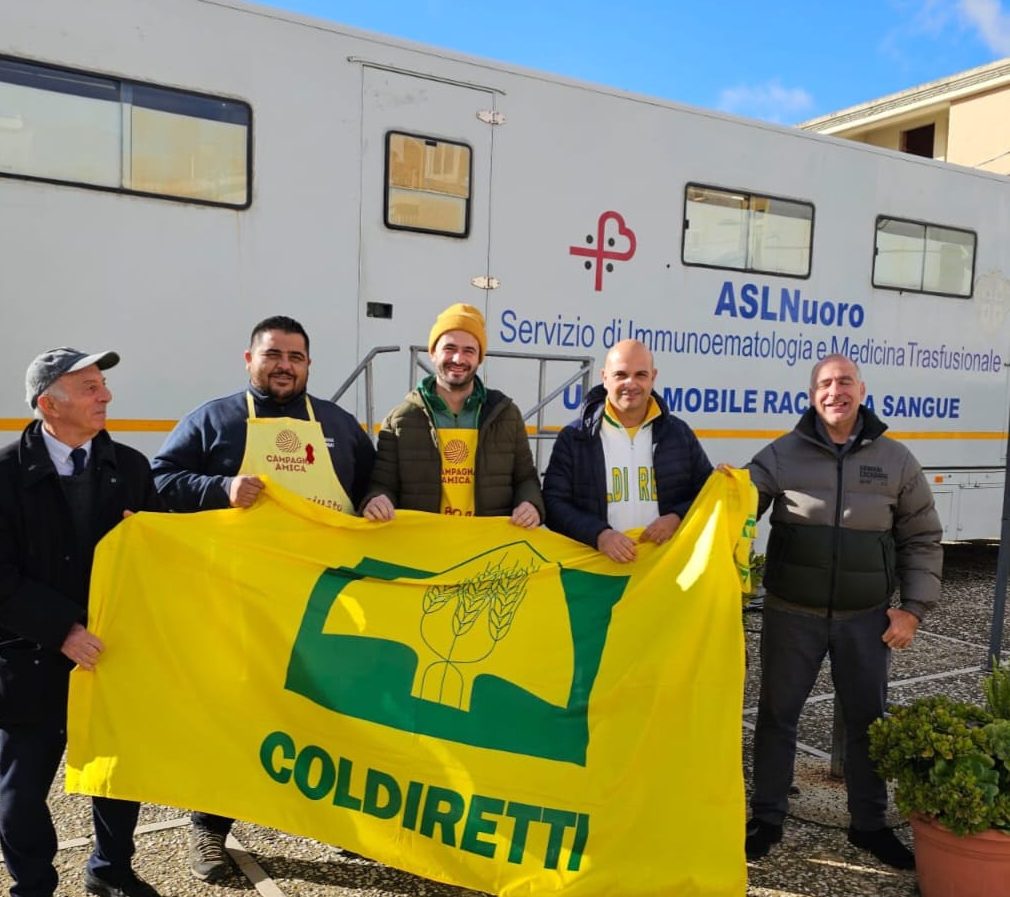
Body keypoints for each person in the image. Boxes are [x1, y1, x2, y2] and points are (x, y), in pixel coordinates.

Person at [151, 314, 375, 882]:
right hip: (237, 599)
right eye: (273, 355)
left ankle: (338, 824)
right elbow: (157, 479)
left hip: (321, 600)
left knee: (327, 709)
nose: (284, 366)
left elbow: (377, 478)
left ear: (308, 366)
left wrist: (377, 498)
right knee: (234, 709)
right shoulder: (214, 420)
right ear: (249, 360)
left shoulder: (338, 424)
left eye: (296, 357)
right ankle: (208, 825)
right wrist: (218, 488)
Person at [0, 348, 162, 897]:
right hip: (28, 658)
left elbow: (155, 558)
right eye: (91, 387)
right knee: (22, 792)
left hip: (112, 654)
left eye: (104, 385)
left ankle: (110, 867)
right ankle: (30, 890)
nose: (106, 396)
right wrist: (63, 630)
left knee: (117, 772)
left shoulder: (128, 466)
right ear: (50, 404)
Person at [743, 354, 942, 868]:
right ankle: (766, 818)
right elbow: (734, 509)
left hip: (866, 618)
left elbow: (921, 538)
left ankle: (869, 825)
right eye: (826, 384)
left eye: (845, 382)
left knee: (866, 722)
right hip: (792, 613)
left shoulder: (896, 460)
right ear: (812, 395)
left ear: (862, 390)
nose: (836, 391)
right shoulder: (782, 455)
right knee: (777, 718)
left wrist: (913, 610)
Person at [361, 302, 543, 527]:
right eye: (450, 348)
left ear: (479, 358)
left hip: (487, 551)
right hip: (425, 549)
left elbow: (526, 478)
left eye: (469, 351)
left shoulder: (506, 415)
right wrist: (376, 500)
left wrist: (530, 504)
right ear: (433, 353)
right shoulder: (400, 420)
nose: (458, 359)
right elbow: (383, 484)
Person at [542, 339, 713, 561]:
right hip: (598, 571)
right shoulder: (575, 438)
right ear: (604, 378)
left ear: (653, 377)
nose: (630, 384)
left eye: (641, 375)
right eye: (621, 375)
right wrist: (599, 535)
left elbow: (707, 492)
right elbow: (554, 504)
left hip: (664, 569)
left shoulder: (678, 433)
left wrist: (677, 517)